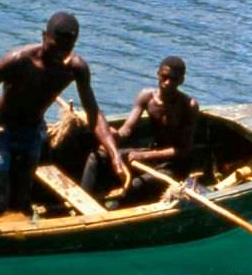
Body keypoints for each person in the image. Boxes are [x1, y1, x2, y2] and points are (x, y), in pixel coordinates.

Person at [0, 12, 125, 236]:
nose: (59, 54)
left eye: (66, 49)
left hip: (31, 133)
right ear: (43, 37)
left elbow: (93, 112)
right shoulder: (19, 60)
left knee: (19, 203)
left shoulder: (75, 68)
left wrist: (114, 153)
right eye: (54, 47)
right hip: (0, 130)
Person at [81, 55, 199, 202]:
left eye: (174, 79)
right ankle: (83, 201)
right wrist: (115, 136)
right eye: (164, 77)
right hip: (152, 153)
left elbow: (184, 150)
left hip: (175, 165)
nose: (167, 83)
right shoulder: (146, 96)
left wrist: (144, 156)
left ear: (181, 81)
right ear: (158, 73)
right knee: (96, 157)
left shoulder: (189, 106)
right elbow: (127, 130)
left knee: (137, 185)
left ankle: (114, 212)